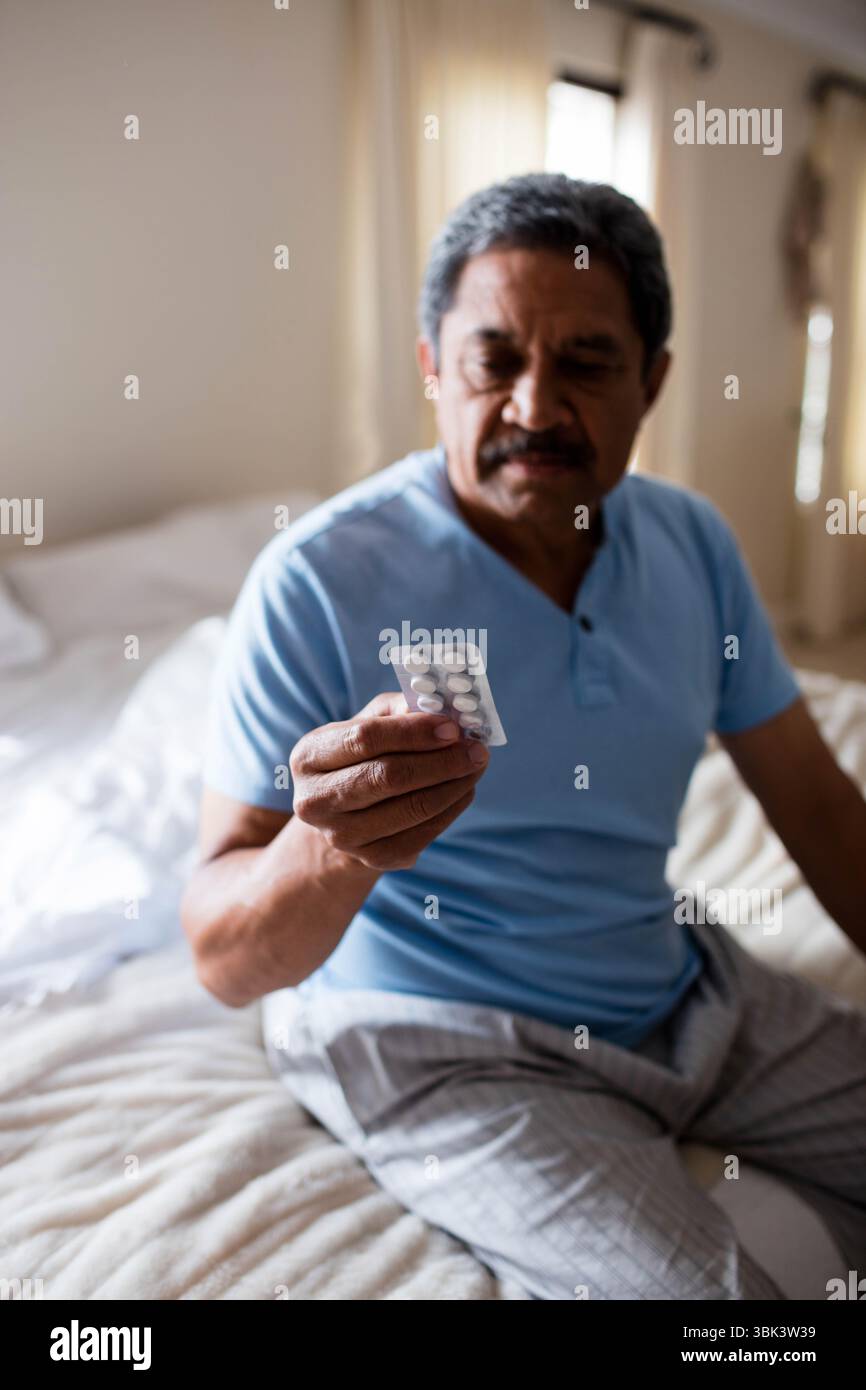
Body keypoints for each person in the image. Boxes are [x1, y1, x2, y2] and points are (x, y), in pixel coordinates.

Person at [181, 174, 866, 1300]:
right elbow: (218, 955)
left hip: (682, 988)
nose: (535, 409)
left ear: (652, 382)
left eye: (587, 363)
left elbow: (819, 807)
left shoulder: (692, 546)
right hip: (441, 1042)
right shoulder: (316, 582)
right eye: (492, 359)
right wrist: (332, 846)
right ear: (431, 370)